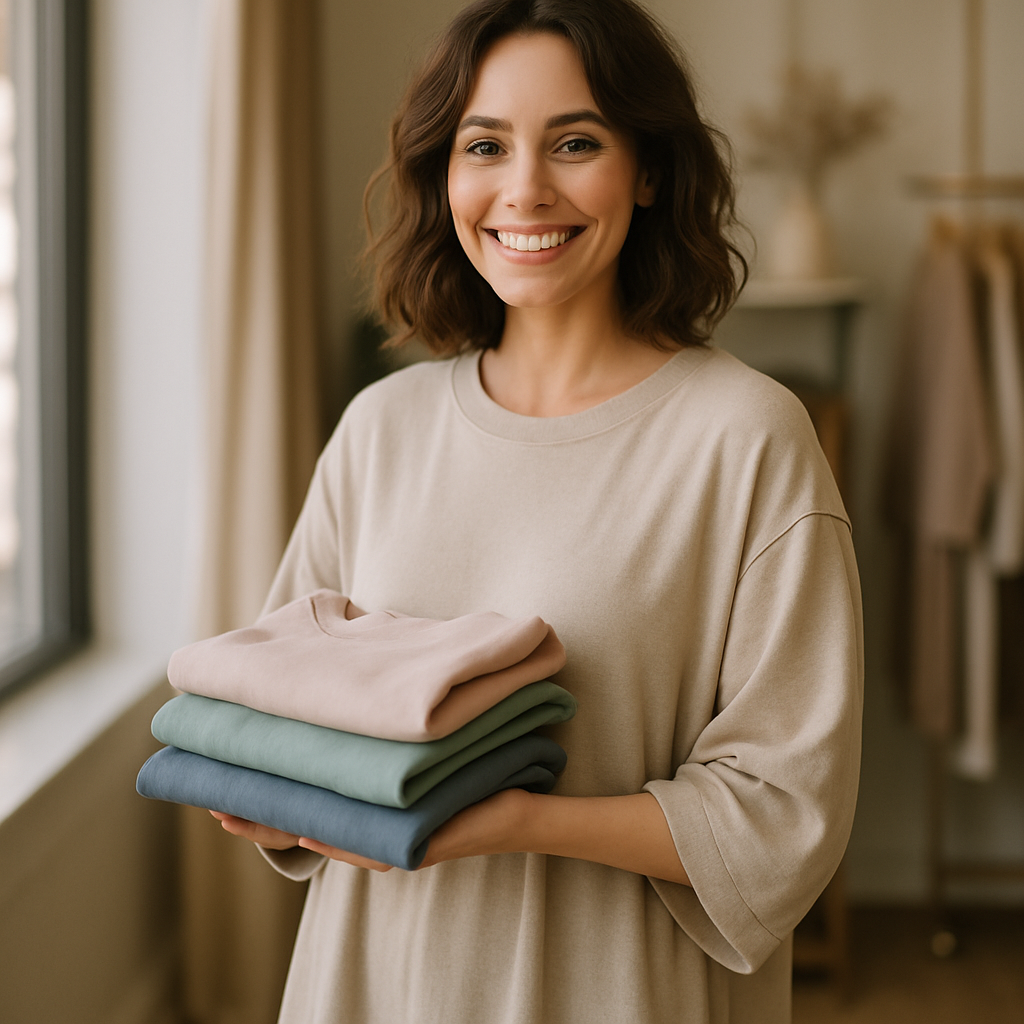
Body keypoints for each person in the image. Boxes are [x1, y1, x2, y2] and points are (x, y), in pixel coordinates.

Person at [212, 1, 863, 1021]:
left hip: (615, 990)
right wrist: (266, 790)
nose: (524, 189)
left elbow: (782, 812)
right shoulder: (379, 427)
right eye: (484, 145)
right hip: (369, 981)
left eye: (574, 141)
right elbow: (281, 720)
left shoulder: (746, 438)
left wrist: (513, 818)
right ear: (445, 175)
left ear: (647, 170)